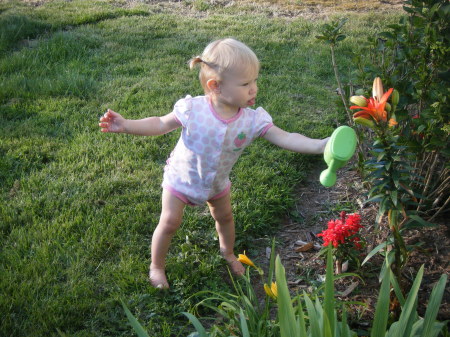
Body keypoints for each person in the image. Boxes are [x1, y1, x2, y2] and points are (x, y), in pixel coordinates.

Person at [99, 38, 329, 289]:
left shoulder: (252, 121)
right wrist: (127, 125)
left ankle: (227, 252)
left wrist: (320, 145)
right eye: (245, 83)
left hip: (217, 183)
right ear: (215, 86)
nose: (254, 88)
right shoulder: (193, 110)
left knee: (225, 217)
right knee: (169, 222)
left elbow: (285, 137)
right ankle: (157, 266)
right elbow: (159, 123)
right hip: (181, 179)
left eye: (254, 81)